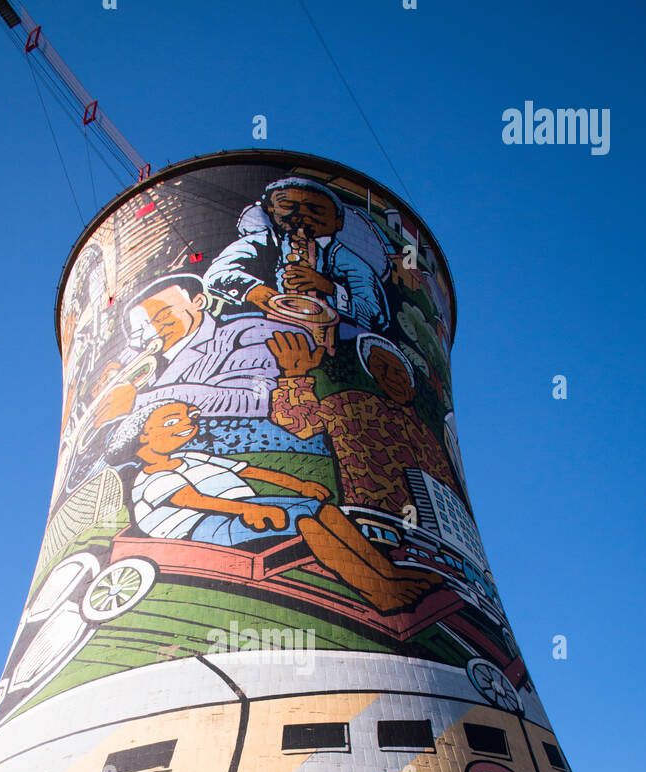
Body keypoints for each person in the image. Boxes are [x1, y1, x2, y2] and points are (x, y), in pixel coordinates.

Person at [105, 400, 440, 614]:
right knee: (307, 525)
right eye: (171, 421)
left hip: (243, 506)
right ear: (143, 437)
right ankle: (380, 593)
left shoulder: (191, 456)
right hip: (202, 526)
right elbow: (192, 501)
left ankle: (389, 575)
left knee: (325, 510)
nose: (188, 424)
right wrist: (246, 512)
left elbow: (249, 470)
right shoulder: (150, 475)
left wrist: (299, 485)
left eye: (188, 418)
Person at [268, 330, 462, 516]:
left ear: (410, 381)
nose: (390, 376)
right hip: (371, 519)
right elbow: (300, 423)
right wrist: (295, 374)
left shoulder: (430, 440)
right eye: (380, 367)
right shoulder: (357, 403)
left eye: (397, 370)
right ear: (373, 374)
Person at [90, 273, 306, 426]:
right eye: (141, 329)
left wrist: (138, 401)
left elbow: (255, 398)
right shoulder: (146, 360)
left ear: (198, 301)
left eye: (162, 316)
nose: (152, 333)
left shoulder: (246, 333)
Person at [203, 178, 391, 336]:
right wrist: (257, 292)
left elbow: (375, 315)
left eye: (315, 210)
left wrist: (329, 288)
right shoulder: (262, 241)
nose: (300, 216)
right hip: (264, 331)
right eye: (287, 206)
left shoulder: (347, 260)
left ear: (337, 222)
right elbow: (217, 273)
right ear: (270, 209)